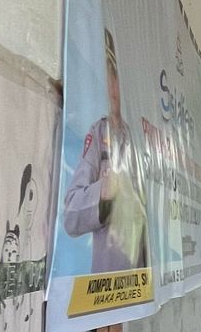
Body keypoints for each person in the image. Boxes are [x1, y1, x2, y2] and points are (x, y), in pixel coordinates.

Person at [62, 29, 149, 272]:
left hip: (144, 284)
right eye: (110, 74)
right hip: (109, 288)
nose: (114, 86)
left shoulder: (143, 141)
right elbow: (70, 214)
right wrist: (103, 191)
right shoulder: (99, 134)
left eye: (118, 76)